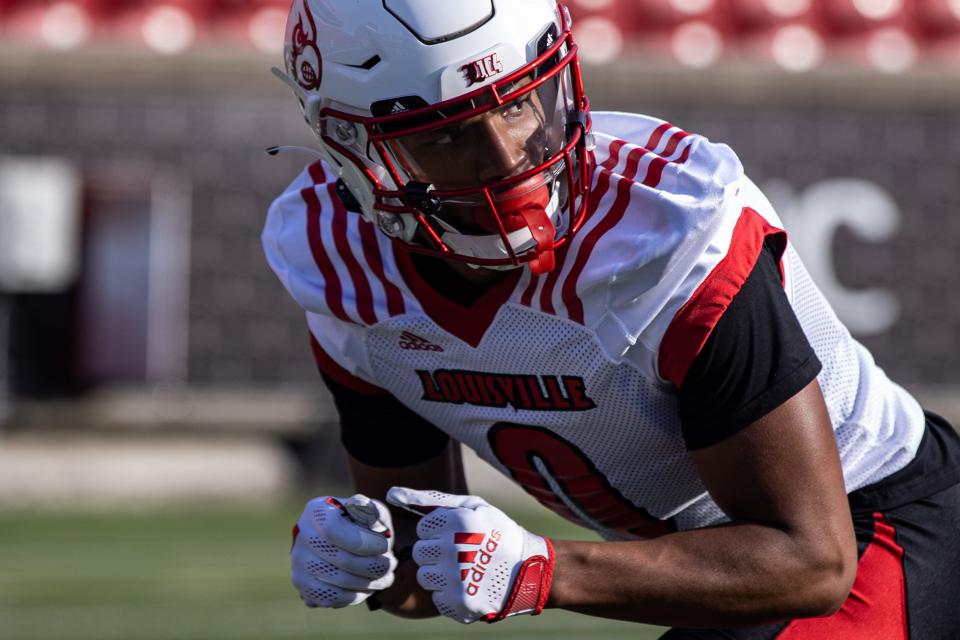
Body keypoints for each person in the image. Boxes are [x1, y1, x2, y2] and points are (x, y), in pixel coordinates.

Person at [263, 1, 960, 637]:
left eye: (519, 104)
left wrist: (545, 570)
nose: (509, 163)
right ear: (354, 154)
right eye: (446, 138)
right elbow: (430, 562)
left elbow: (810, 560)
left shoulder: (667, 230)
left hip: (880, 523)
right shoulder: (333, 259)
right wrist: (368, 556)